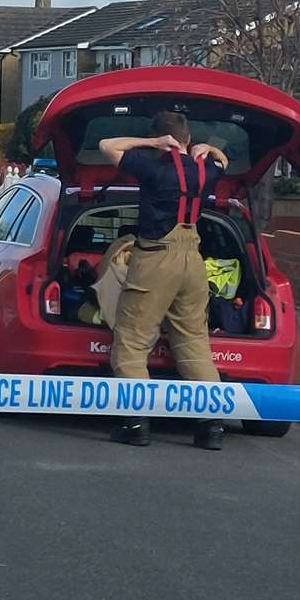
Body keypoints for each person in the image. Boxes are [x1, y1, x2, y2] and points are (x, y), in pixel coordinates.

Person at [99, 111, 229, 450]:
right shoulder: (206, 171)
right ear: (187, 138)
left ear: (163, 139)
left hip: (156, 258)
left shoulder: (154, 165)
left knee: (131, 340)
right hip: (193, 260)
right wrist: (208, 150)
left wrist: (149, 143)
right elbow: (225, 160)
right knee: (194, 343)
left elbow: (106, 146)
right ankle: (211, 425)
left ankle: (137, 423)